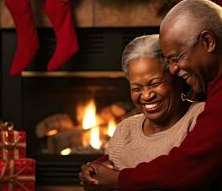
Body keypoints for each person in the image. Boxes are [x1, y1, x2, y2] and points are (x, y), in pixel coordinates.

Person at [83, 0, 222, 190]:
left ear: (207, 42)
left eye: (176, 58)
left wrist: (118, 180)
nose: (172, 69)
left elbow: (186, 170)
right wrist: (107, 163)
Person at [79, 34, 205, 190]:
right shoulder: (125, 128)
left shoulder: (200, 117)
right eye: (136, 88)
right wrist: (92, 172)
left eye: (155, 84)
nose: (146, 95)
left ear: (176, 76)